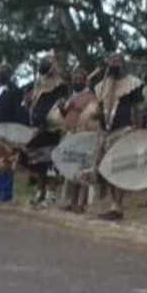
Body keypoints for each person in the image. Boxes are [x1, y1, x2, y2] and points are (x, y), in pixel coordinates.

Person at [92, 54, 145, 221]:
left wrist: (138, 130)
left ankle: (117, 206)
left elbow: (138, 108)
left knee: (119, 167)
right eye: (111, 61)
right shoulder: (101, 86)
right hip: (105, 131)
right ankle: (113, 204)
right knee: (104, 168)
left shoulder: (133, 83)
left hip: (124, 130)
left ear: (123, 64)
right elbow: (98, 108)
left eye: (117, 61)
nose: (114, 64)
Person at [22, 56, 70, 205]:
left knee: (51, 162)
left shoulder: (60, 84)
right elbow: (32, 101)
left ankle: (51, 194)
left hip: (52, 128)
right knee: (38, 162)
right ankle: (40, 192)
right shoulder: (38, 83)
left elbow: (61, 106)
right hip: (37, 126)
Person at [58, 68, 99, 213]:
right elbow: (66, 114)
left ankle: (81, 203)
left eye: (79, 78)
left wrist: (78, 107)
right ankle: (69, 200)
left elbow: (94, 113)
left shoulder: (90, 96)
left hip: (83, 135)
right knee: (70, 169)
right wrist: (63, 109)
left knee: (82, 171)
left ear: (85, 81)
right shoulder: (72, 96)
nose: (76, 80)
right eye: (74, 78)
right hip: (70, 134)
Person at [0, 64, 25, 202]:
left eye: (3, 72)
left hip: (7, 130)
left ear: (9, 75)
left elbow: (17, 111)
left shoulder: (14, 90)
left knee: (7, 161)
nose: (0, 74)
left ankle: (5, 192)